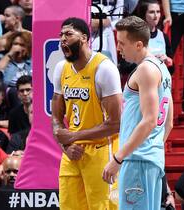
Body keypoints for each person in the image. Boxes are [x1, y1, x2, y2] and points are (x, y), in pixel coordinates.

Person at [102, 16, 173, 210]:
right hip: (151, 158)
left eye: (122, 43)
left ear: (139, 44)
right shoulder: (163, 69)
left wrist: (118, 158)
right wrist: (153, 149)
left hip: (137, 159)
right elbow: (168, 122)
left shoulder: (146, 70)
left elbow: (150, 121)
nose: (118, 48)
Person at [51, 17, 122, 210]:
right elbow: (56, 118)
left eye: (68, 34)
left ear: (84, 38)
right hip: (72, 152)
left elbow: (116, 123)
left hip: (101, 151)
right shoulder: (61, 68)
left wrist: (74, 136)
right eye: (61, 35)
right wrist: (66, 145)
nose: (62, 39)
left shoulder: (104, 69)